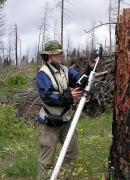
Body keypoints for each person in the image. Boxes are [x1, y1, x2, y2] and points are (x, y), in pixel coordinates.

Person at [36, 40, 95, 179]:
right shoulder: (42, 74)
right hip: (49, 121)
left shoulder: (65, 70)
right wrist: (69, 96)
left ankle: (61, 178)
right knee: (46, 159)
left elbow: (81, 81)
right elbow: (47, 96)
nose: (62, 54)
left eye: (62, 52)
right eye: (58, 53)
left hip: (66, 120)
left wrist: (90, 68)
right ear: (50, 55)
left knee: (71, 152)